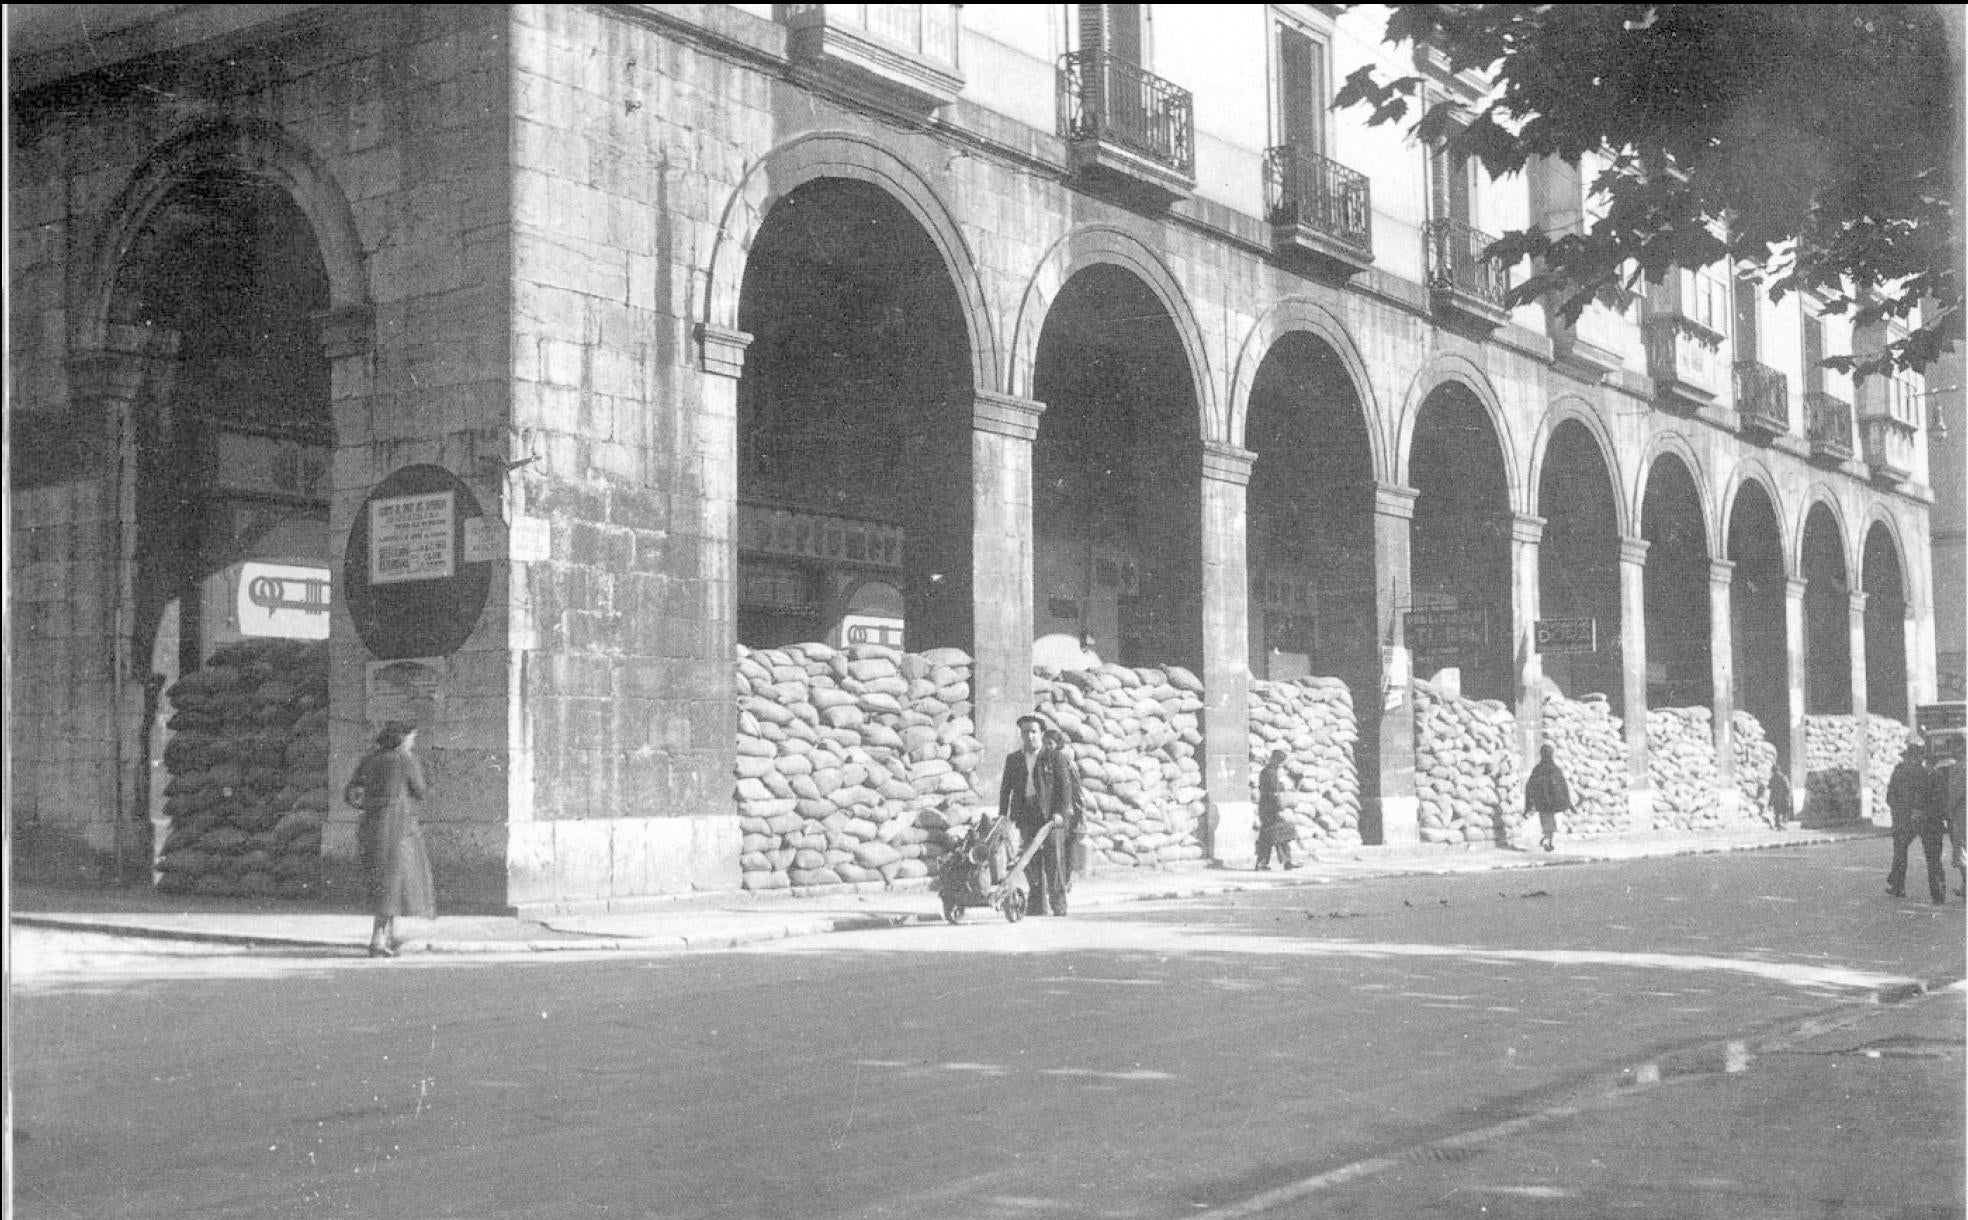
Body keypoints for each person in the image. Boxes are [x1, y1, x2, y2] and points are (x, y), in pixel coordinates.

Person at [342, 720, 436, 956]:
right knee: (392, 884)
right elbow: (420, 791)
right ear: (401, 739)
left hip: (371, 826)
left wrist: (371, 802)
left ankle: (387, 937)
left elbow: (350, 794)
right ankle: (378, 940)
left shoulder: (370, 759)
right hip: (397, 827)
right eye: (411, 738)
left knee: (382, 882)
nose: (412, 742)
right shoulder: (404, 759)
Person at [999, 714, 1071, 916]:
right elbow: (1006, 790)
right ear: (1020, 734)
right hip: (1025, 814)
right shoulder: (1013, 759)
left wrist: (1060, 813)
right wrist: (1003, 817)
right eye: (1025, 732)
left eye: (1033, 732)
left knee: (1053, 859)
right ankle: (1037, 903)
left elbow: (1064, 789)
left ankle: (1058, 903)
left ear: (1040, 734)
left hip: (1049, 816)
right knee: (1029, 860)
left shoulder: (1054, 757)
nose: (1029, 736)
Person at [1884, 740, 1936, 901]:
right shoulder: (1924, 773)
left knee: (1900, 852)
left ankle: (1897, 885)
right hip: (1920, 817)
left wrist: (1897, 810)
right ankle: (1937, 891)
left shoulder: (1898, 771)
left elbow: (1890, 796)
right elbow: (1927, 795)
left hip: (1902, 818)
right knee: (1931, 855)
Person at [1042, 728, 1087, 891]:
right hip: (1054, 811)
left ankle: (1066, 880)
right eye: (1045, 743)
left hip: (1069, 811)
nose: (1047, 747)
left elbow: (1077, 791)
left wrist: (1080, 816)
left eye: (1050, 744)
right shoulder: (1044, 762)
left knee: (1066, 848)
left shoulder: (1068, 763)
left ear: (1058, 745)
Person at [1524, 743, 1573, 853]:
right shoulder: (1555, 769)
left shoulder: (1538, 769)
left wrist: (1528, 805)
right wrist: (1568, 802)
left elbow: (1529, 787)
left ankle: (1547, 839)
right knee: (1550, 822)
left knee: (1547, 821)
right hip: (1554, 802)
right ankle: (1548, 840)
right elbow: (1564, 786)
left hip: (1542, 802)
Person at [1255, 749, 1299, 870]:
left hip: (1264, 808)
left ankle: (1262, 863)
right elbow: (1273, 792)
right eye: (1280, 761)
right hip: (1271, 808)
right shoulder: (1271, 772)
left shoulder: (1265, 771)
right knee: (1282, 833)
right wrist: (1279, 805)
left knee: (1267, 836)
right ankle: (1287, 862)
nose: (1280, 764)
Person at [1768, 762, 1793, 829]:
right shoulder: (1783, 777)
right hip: (1783, 797)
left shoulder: (1773, 778)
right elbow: (1788, 788)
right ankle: (1782, 824)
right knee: (1784, 812)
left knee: (1778, 812)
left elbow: (1770, 788)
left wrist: (1770, 801)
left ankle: (1779, 824)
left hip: (1778, 798)